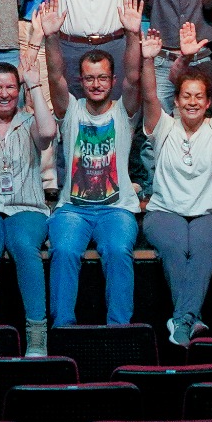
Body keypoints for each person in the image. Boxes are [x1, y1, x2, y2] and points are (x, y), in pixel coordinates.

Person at [138, 36, 212, 349]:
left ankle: (181, 318)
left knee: (202, 243)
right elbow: (150, 95)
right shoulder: (163, 126)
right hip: (165, 212)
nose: (192, 102)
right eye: (186, 96)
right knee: (175, 244)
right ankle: (189, 319)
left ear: (208, 102)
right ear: (178, 101)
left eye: (199, 97)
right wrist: (147, 60)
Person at [42, 33, 141, 328]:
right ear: (81, 82)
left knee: (118, 251)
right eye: (89, 78)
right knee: (64, 251)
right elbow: (54, 75)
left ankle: (119, 330)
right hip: (73, 209)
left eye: (102, 78)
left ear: (112, 81)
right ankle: (63, 329)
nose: (96, 84)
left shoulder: (124, 111)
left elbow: (134, 78)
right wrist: (49, 36)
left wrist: (134, 35)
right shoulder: (71, 110)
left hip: (117, 209)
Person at [0, 47, 61, 354]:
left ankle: (37, 337)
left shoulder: (29, 119)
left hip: (28, 207)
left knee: (23, 245)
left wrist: (34, 83)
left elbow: (48, 132)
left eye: (11, 87)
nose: (4, 94)